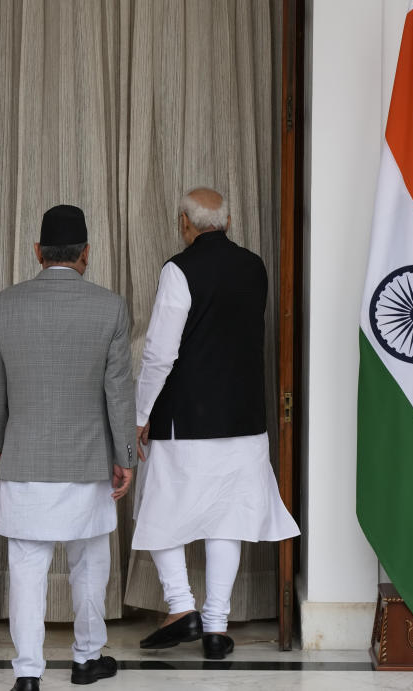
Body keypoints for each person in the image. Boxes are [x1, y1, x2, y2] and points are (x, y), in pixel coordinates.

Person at [132, 187, 300, 660]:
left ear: (186, 223)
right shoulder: (255, 267)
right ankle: (215, 625)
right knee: (228, 518)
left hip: (184, 418)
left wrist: (140, 414)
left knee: (162, 510)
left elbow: (161, 352)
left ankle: (182, 606)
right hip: (244, 418)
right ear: (227, 221)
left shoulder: (178, 269)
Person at [0, 204, 136, 691]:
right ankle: (88, 658)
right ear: (87, 253)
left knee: (26, 567)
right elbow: (118, 390)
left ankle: (28, 673)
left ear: (37, 252)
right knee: (90, 562)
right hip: (89, 459)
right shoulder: (109, 306)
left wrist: (2, 443)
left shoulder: (3, 306)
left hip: (26, 457)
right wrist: (124, 456)